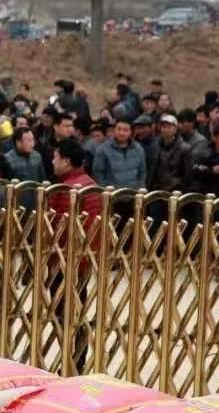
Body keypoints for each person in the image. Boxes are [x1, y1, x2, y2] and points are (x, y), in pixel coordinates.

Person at [48, 139, 103, 374]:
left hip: (64, 261)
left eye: (56, 157)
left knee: (63, 315)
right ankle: (76, 362)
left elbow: (56, 228)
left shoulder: (65, 191)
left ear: (67, 161)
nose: (53, 161)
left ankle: (71, 364)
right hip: (84, 260)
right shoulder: (92, 185)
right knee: (77, 312)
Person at [92, 119, 147, 189]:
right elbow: (98, 174)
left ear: (131, 132)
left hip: (133, 192)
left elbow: (142, 172)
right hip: (112, 193)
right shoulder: (103, 149)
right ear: (114, 130)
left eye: (125, 130)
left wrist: (141, 189)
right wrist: (105, 191)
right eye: (119, 129)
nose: (121, 133)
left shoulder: (138, 149)